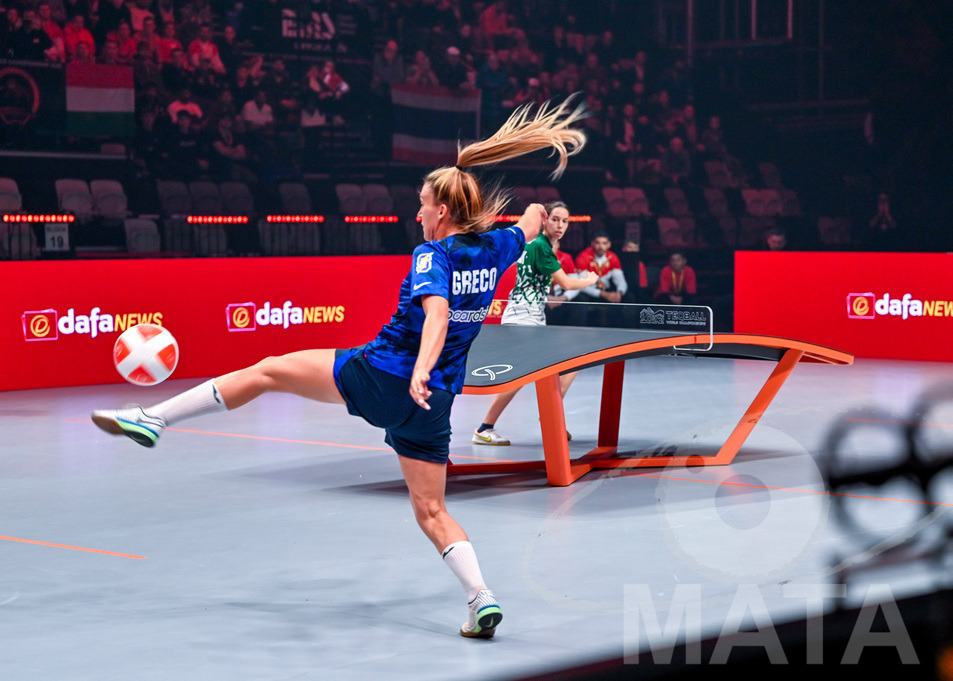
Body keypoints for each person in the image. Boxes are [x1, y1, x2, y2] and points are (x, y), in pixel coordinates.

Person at [91, 98, 588, 639]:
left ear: (440, 212)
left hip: (384, 374)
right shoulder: (498, 247)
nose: (416, 214)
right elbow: (534, 220)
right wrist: (530, 216)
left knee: (269, 369)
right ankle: (480, 598)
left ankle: (155, 419)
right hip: (434, 405)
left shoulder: (433, 256)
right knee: (431, 512)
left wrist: (419, 366)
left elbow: (438, 313)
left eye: (421, 205)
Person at [473, 201, 599, 446]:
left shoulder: (534, 245)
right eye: (555, 219)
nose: (560, 225)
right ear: (545, 219)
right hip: (524, 319)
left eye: (564, 221)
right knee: (557, 366)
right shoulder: (541, 247)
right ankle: (485, 427)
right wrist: (588, 279)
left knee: (558, 367)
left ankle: (548, 418)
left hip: (528, 317)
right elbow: (567, 284)